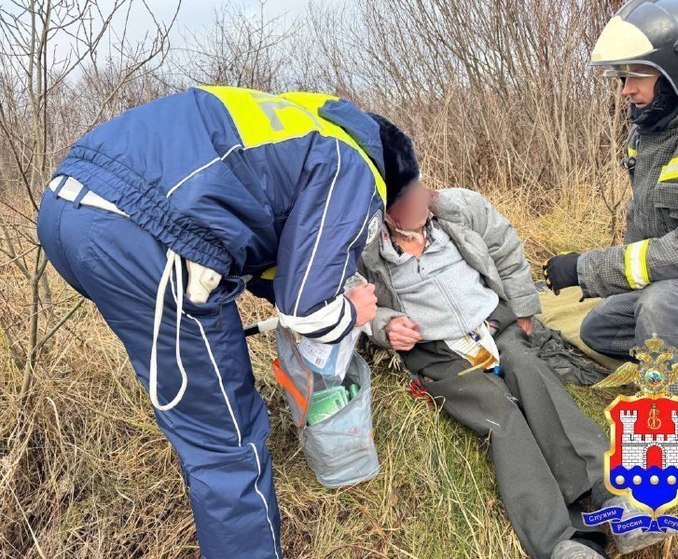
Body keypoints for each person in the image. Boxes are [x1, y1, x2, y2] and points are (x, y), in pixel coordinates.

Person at [36, 86, 419, 558]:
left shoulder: (300, 124)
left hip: (65, 207)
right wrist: (351, 313)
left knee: (198, 415)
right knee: (226, 439)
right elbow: (306, 310)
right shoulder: (356, 166)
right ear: (392, 182)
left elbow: (265, 251)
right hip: (141, 234)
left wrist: (324, 286)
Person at [358, 182, 662, 558]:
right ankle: (558, 541)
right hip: (438, 352)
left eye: (419, 185)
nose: (422, 197)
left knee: (531, 375)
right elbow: (353, 299)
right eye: (407, 196)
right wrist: (385, 326)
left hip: (494, 326)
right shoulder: (365, 244)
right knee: (499, 412)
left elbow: (505, 247)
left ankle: (610, 493)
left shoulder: (457, 208)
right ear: (385, 208)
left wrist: (521, 307)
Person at [543, 0, 678, 491]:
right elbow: (651, 232)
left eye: (637, 74)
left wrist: (588, 269)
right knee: (601, 325)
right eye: (622, 76)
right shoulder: (659, 121)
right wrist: (611, 284)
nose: (626, 90)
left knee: (666, 305)